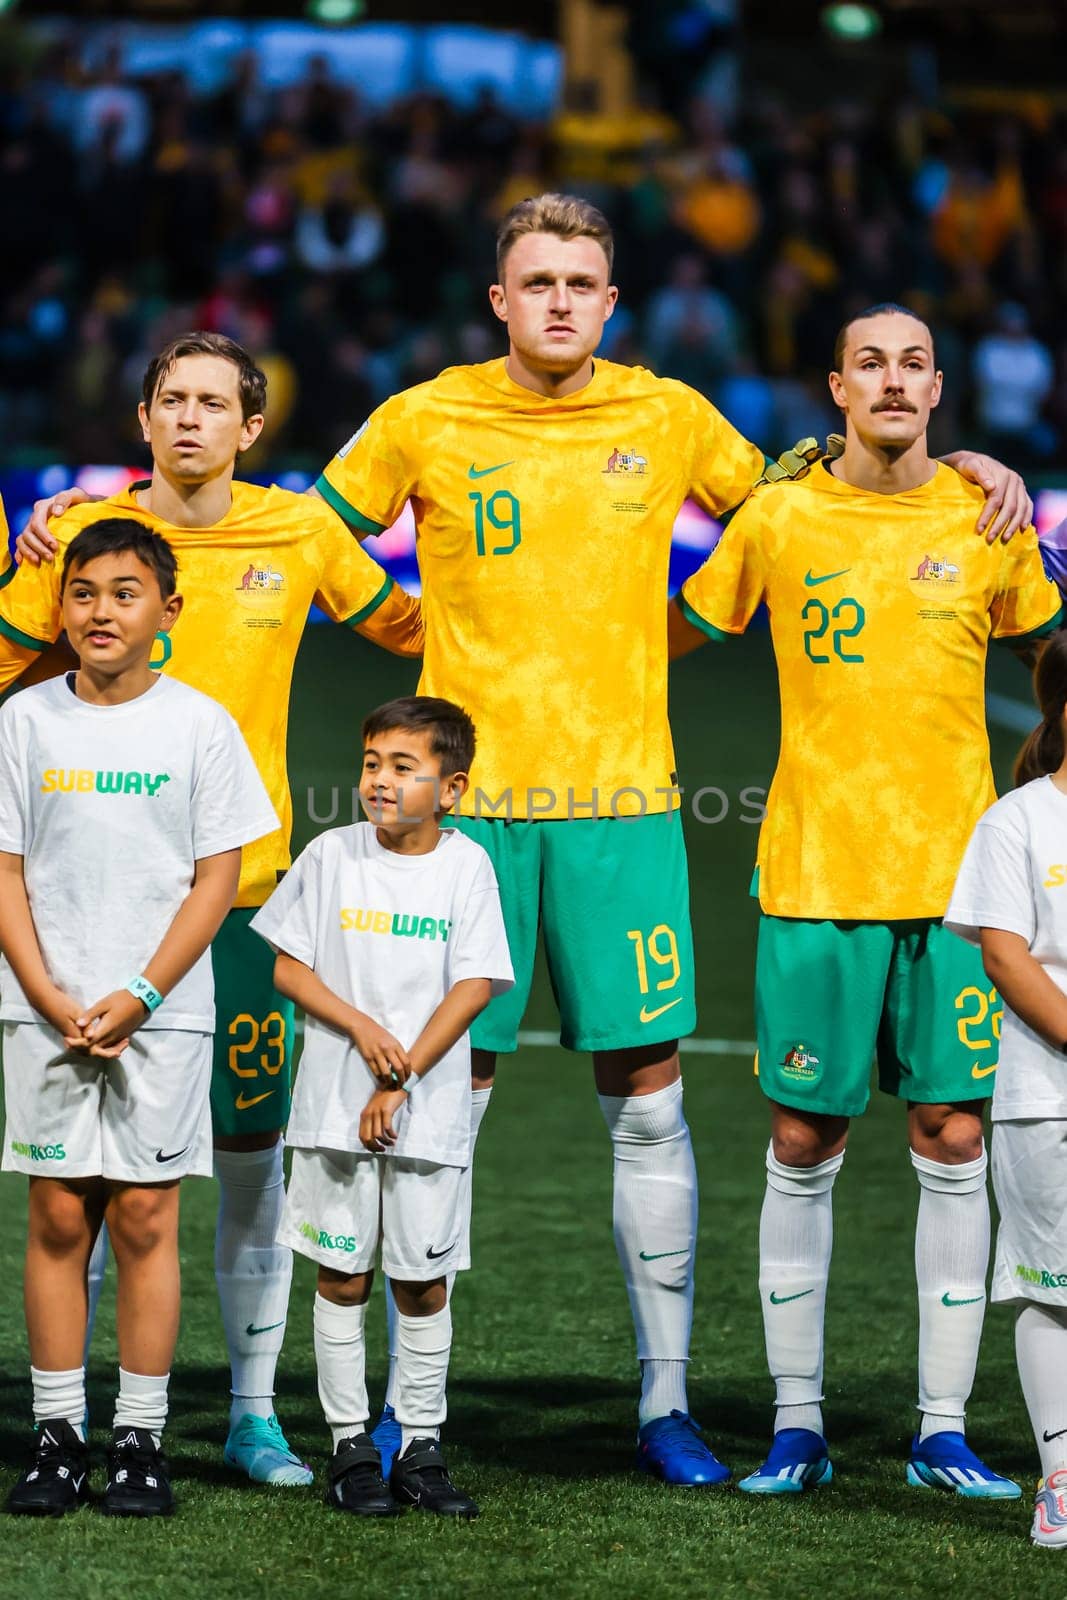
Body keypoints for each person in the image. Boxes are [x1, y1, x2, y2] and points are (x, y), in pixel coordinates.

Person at [307, 195, 1034, 1483]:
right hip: (462, 832)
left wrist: (975, 467)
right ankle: (404, 1410)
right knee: (436, 1106)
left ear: (610, 301)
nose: (559, 302)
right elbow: (316, 530)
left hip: (626, 813)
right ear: (498, 299)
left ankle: (665, 1405)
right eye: (536, 281)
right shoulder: (427, 414)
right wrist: (398, 630)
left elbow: (805, 500)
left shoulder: (666, 415)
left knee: (646, 1107)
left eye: (582, 282)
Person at [0, 331, 423, 1487]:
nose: (190, 420)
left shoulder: (299, 533)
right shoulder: (79, 540)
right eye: (170, 400)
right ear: (142, 419)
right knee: (76, 1176)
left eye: (213, 404)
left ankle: (248, 1411)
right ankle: (71, 1418)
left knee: (245, 1150)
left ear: (251, 428)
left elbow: (418, 632)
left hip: (248, 893)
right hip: (82, 897)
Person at [669, 302, 1062, 1496]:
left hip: (955, 893)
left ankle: (940, 1428)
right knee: (802, 1139)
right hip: (812, 871)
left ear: (939, 390)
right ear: (833, 388)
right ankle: (796, 1423)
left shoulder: (982, 516)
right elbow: (672, 636)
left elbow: (1054, 669)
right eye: (866, 365)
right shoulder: (778, 516)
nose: (889, 382)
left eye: (910, 365)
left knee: (951, 1141)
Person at [0, 520, 277, 1517]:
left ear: (169, 609)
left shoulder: (199, 725)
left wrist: (144, 993)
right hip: (45, 1009)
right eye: (83, 593)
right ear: (60, 606)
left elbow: (217, 878)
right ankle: (57, 1433)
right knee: (58, 1211)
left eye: (125, 593)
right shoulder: (24, 721)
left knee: (148, 1215)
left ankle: (140, 1438)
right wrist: (42, 990)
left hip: (161, 1014)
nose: (101, 612)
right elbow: (6, 870)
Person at [250, 696, 513, 1518]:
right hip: (333, 1106)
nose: (380, 781)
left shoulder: (465, 866)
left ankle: (423, 1444)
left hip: (425, 1113)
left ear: (452, 786)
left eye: (403, 767)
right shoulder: (331, 855)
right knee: (342, 1271)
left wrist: (401, 1079)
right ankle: (349, 1445)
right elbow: (289, 970)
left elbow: (475, 982)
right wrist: (363, 1031)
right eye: (371, 764)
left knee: (423, 1279)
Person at [944, 632, 1067, 1547]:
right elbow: (1003, 953)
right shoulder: (1018, 821)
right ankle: (1060, 1478)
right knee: (1055, 1285)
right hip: (1047, 1093)